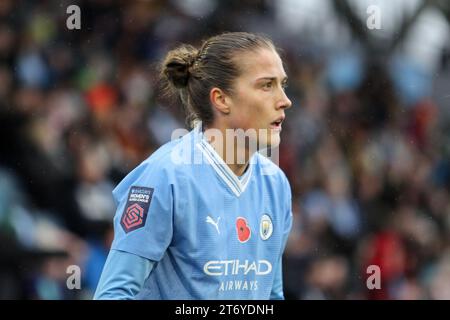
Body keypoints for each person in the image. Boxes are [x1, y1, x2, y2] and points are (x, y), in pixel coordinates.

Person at [94, 32, 293, 299]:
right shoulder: (165, 177)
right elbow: (113, 295)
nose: (284, 100)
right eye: (266, 85)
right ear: (221, 99)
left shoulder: (275, 184)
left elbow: (270, 296)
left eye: (282, 84)